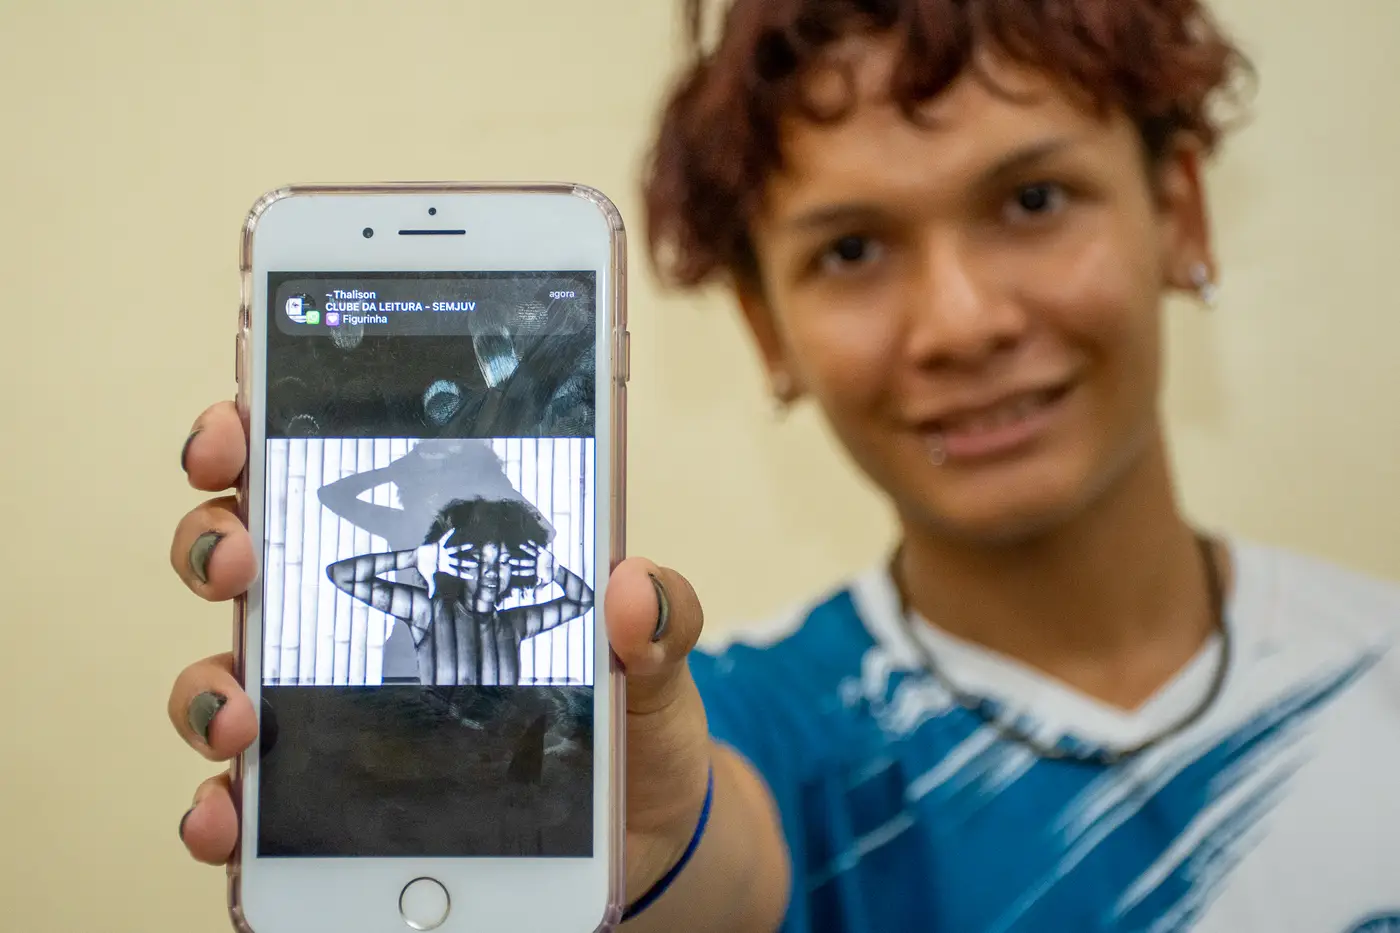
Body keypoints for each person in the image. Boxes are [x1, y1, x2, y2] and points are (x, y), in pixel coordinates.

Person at [166, 1, 1400, 930]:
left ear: (1178, 211)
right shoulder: (716, 730)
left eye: (1031, 200)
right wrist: (645, 855)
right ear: (766, 329)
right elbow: (708, 848)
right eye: (851, 249)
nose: (959, 322)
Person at [326, 495, 595, 686]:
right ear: (456, 563)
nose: (491, 572)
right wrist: (411, 557)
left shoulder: (514, 625)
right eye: (478, 560)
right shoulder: (427, 612)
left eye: (503, 562)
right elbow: (342, 576)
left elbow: (583, 601)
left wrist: (557, 572)